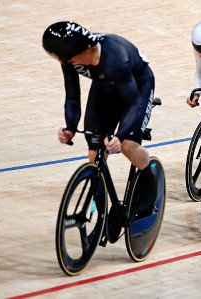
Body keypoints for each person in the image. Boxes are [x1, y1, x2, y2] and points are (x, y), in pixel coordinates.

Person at [42, 21, 158, 215]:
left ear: (79, 52)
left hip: (137, 87)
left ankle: (149, 180)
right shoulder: (70, 59)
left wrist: (120, 136)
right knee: (95, 152)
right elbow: (72, 97)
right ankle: (101, 213)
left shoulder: (115, 58)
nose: (64, 63)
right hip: (105, 86)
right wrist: (70, 126)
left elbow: (133, 103)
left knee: (128, 146)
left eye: (64, 59)